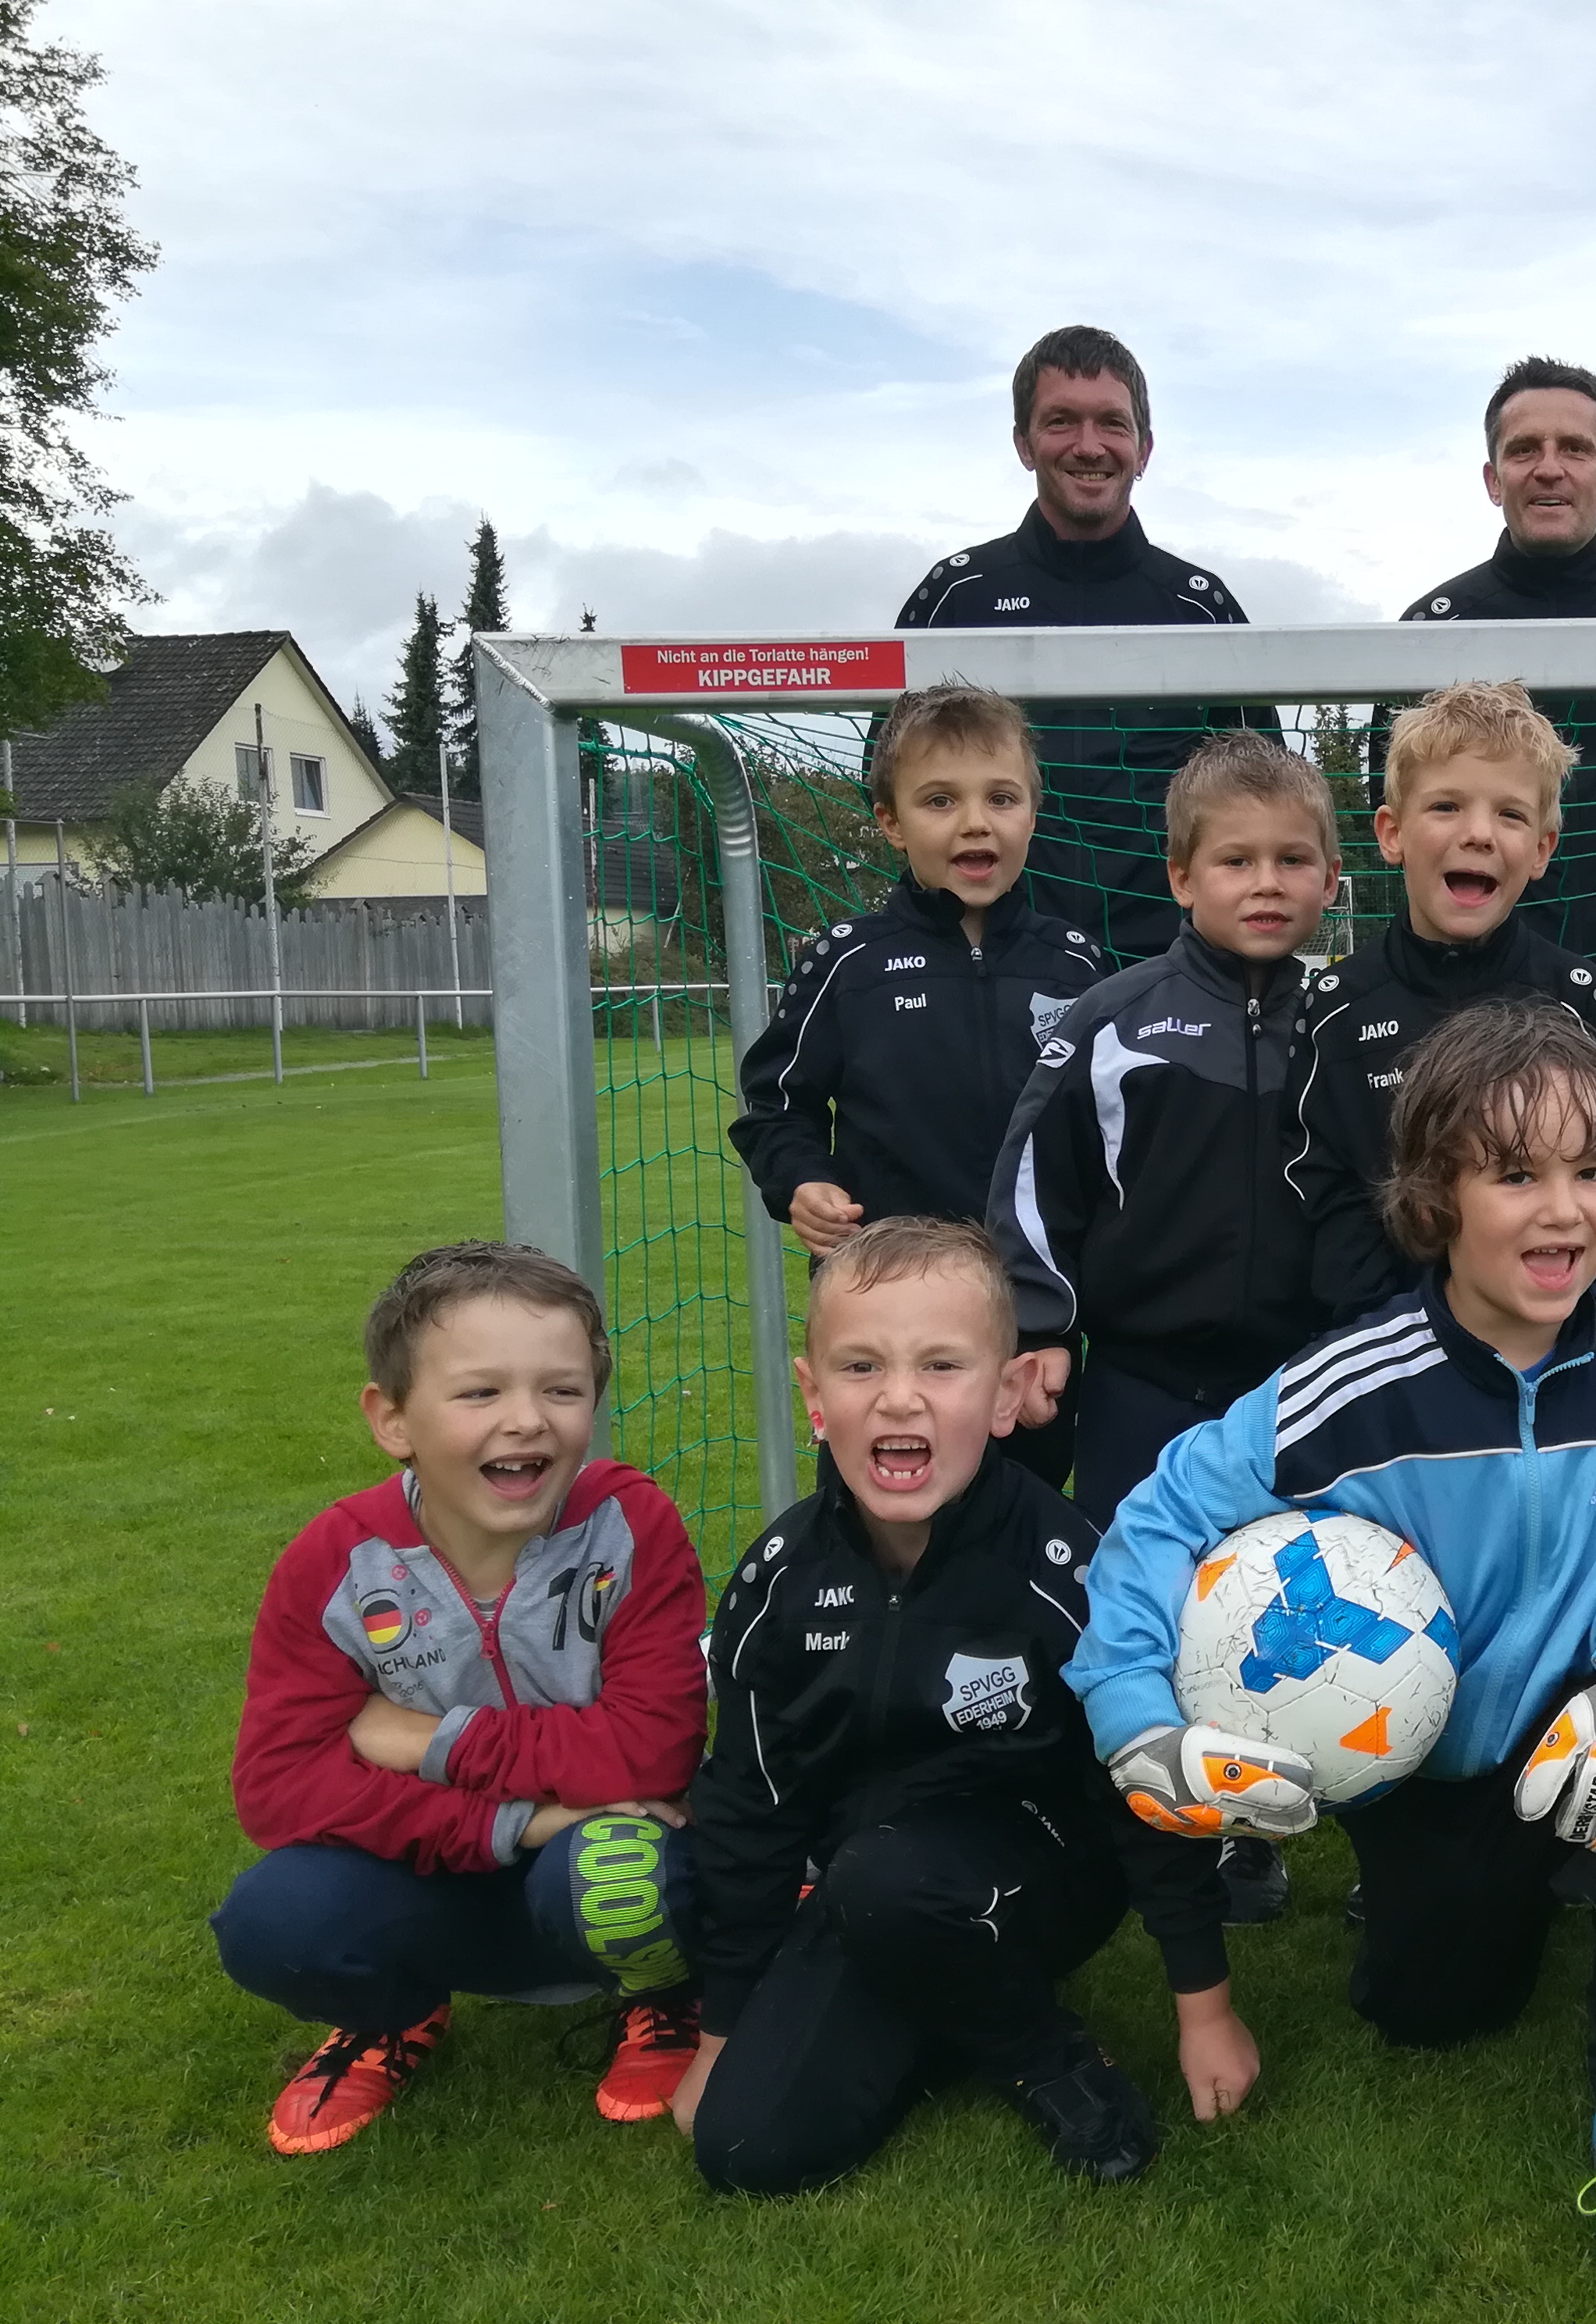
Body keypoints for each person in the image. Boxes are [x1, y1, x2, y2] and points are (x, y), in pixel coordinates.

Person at [1070, 1003, 1596, 2283]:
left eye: (1592, 1169)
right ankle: (1500, 1886)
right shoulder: (1351, 1388)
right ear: (1436, 1193)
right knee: (1430, 2012)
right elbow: (1158, 1518)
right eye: (1516, 1174)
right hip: (1433, 1756)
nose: (1563, 1211)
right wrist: (1134, 1719)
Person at [670, 1217, 1247, 2196]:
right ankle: (940, 2008)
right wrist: (721, 2032)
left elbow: (1143, 1792)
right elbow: (748, 1808)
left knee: (890, 1877)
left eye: (941, 1365)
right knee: (745, 2150)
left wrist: (1206, 2009)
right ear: (813, 1396)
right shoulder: (777, 1584)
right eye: (861, 1366)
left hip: (1045, 1871)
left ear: (1008, 1395)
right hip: (864, 1887)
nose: (899, 1397)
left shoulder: (1069, 1574)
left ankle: (1045, 2055)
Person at [212, 1243, 708, 2155]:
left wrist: (427, 1740)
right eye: (480, 1392)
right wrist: (519, 1823)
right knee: (275, 1922)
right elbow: (279, 1787)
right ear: (391, 1419)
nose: (527, 1420)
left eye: (561, 1390)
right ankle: (394, 2014)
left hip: (599, 1852)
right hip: (435, 1866)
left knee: (624, 1868)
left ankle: (664, 1994)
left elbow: (652, 1752)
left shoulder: (629, 1523)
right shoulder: (334, 1563)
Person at [988, 730, 1344, 1924]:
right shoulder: (1114, 1019)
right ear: (1184, 876)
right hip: (1145, 1382)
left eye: (1292, 860)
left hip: (1308, 1386)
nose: (1266, 884)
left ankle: (1329, 1819)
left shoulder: (1351, 1024)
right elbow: (1032, 1182)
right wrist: (1041, 1324)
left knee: (1307, 1604)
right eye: (1236, 860)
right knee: (1146, 1605)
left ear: (1331, 877)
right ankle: (1152, 1824)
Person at [729, 679, 1106, 1481]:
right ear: (892, 822)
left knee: (1023, 1517)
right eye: (940, 800)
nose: (975, 821)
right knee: (879, 1517)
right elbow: (775, 1106)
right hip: (883, 1322)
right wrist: (802, 1182)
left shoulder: (1075, 965)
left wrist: (1055, 1329)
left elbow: (1101, 1145)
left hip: (1024, 1330)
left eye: (1001, 797)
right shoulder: (847, 962)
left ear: (1032, 812)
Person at [895, 323, 1274, 964]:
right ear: (1024, 443)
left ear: (1144, 449)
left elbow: (1262, 792)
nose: (1089, 445)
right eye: (1061, 421)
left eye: (1112, 424)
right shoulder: (956, 599)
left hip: (1169, 965)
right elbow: (889, 778)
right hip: (985, 962)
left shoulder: (1199, 608)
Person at [1287, 678, 1596, 1324]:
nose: (1479, 834)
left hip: (1547, 1338)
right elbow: (1326, 1195)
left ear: (1542, 850)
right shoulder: (1335, 1008)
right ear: (1392, 833)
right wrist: (1399, 1337)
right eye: (1446, 806)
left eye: (1511, 814)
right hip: (1390, 1345)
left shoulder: (1580, 1000)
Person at [1401, 357, 1596, 964]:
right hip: (1484, 983)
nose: (1549, 468)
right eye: (1524, 449)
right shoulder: (1433, 631)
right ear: (1494, 479)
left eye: (1575, 448)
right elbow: (1398, 813)